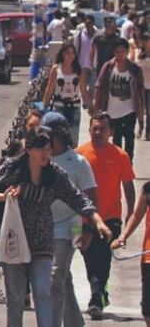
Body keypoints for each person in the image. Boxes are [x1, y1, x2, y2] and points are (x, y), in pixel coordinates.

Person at [0, 128, 111, 327]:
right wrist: (5, 197)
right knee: (16, 298)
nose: (45, 154)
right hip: (14, 239)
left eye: (48, 150)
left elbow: (77, 198)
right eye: (41, 149)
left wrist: (98, 221)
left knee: (43, 291)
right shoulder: (12, 168)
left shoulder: (54, 174)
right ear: (29, 149)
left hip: (42, 240)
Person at [77, 113, 138, 318]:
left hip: (111, 217)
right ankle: (100, 291)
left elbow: (128, 185)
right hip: (84, 218)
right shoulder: (80, 155)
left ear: (111, 131)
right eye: (95, 128)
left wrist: (130, 212)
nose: (98, 132)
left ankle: (96, 297)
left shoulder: (120, 155)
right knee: (88, 256)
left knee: (103, 257)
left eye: (102, 129)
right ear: (89, 130)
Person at [43, 112, 97, 327]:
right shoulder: (41, 158)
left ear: (59, 135)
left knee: (55, 276)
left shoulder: (78, 162)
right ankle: (75, 323)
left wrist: (88, 229)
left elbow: (91, 197)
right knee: (63, 277)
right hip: (44, 226)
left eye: (49, 135)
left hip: (72, 226)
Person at [93, 38, 145, 159]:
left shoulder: (134, 69)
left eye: (122, 51)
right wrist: (96, 106)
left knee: (129, 137)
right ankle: (118, 163)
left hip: (129, 110)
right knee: (116, 138)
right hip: (113, 111)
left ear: (127, 52)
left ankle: (128, 164)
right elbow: (98, 86)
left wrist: (141, 118)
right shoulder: (108, 67)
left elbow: (140, 93)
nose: (119, 54)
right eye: (117, 51)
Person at [110, 180, 150, 327]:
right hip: (148, 257)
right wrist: (122, 237)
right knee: (147, 308)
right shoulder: (148, 189)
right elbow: (137, 215)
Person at [43, 44, 90, 145]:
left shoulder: (78, 70)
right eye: (68, 53)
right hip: (59, 105)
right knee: (58, 136)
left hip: (74, 106)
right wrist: (44, 107)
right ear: (63, 54)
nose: (70, 56)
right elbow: (49, 89)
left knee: (73, 136)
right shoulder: (56, 69)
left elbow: (83, 90)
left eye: (73, 53)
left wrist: (89, 105)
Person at [75, 16, 100, 104]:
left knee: (92, 86)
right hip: (82, 64)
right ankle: (86, 102)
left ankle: (89, 100)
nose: (88, 25)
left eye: (90, 23)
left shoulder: (98, 35)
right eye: (86, 23)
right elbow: (76, 48)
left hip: (94, 65)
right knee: (83, 86)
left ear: (93, 23)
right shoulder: (79, 35)